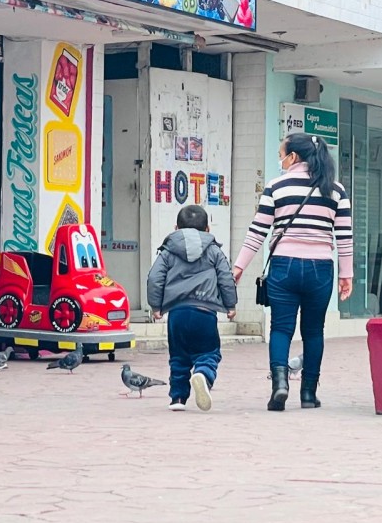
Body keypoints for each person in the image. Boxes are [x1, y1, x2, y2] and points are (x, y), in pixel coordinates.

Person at [232, 133, 353, 411]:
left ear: (293, 157)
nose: (280, 160)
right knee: (313, 332)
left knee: (281, 328)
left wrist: (239, 267)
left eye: (281, 154)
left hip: (284, 265)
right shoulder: (335, 190)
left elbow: (257, 232)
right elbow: (345, 237)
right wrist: (346, 275)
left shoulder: (276, 187)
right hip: (321, 268)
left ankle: (280, 385)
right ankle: (308, 394)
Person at [147, 205, 238, 412]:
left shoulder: (168, 251)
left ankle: (178, 398)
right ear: (208, 229)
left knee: (178, 356)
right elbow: (226, 278)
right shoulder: (214, 251)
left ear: (176, 227)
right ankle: (203, 375)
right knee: (209, 352)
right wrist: (230, 305)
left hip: (177, 314)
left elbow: (155, 278)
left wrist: (156, 307)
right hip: (205, 313)